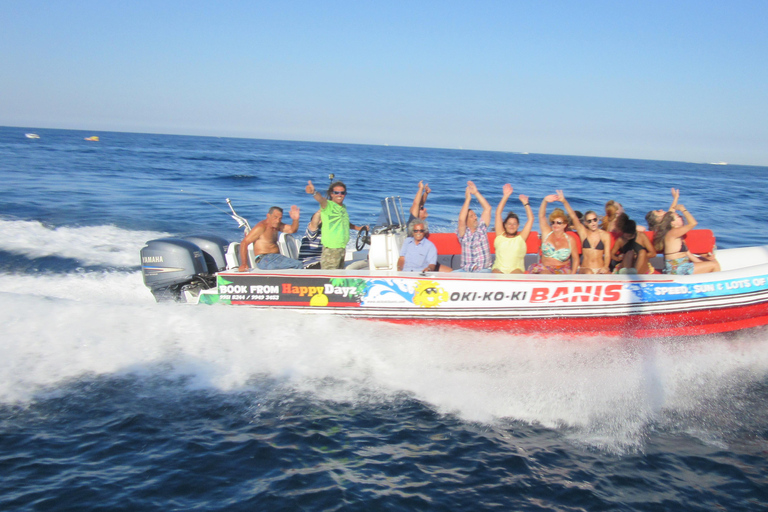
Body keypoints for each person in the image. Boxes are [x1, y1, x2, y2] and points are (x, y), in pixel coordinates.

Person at [306, 180, 367, 269]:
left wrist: (358, 228)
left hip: (341, 247)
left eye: (342, 193)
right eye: (336, 192)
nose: (339, 195)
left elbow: (344, 222)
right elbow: (321, 199)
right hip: (331, 248)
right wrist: (314, 192)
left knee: (338, 277)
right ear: (332, 194)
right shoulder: (328, 205)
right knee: (330, 277)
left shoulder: (343, 207)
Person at [654, 204, 720, 274]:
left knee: (712, 262)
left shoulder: (678, 235)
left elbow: (688, 254)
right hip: (676, 268)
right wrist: (683, 209)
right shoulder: (673, 232)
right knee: (714, 265)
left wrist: (703, 263)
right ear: (672, 223)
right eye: (678, 217)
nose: (681, 217)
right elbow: (693, 223)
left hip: (682, 266)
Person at [557, 191, 611, 274]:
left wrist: (606, 267)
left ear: (598, 220)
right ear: (585, 223)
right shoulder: (584, 233)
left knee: (607, 275)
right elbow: (573, 216)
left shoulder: (605, 235)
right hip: (585, 268)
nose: (593, 223)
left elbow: (607, 255)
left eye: (594, 220)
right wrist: (564, 201)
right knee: (589, 273)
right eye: (589, 221)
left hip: (600, 268)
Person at [238, 205, 302, 271]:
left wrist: (295, 219)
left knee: (300, 265)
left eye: (280, 218)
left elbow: (292, 230)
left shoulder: (277, 225)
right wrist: (244, 263)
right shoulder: (261, 227)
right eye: (275, 217)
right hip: (265, 259)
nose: (277, 221)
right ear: (268, 216)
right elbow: (244, 243)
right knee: (298, 265)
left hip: (276, 258)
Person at [527, 195, 579, 274]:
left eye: (558, 223)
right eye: (553, 222)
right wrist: (545, 201)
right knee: (545, 273)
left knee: (553, 275)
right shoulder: (547, 233)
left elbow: (576, 259)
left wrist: (572, 276)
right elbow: (541, 216)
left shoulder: (570, 239)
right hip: (544, 268)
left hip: (562, 269)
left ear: (565, 225)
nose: (555, 225)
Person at [492, 184, 533, 274]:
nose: (512, 226)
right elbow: (498, 213)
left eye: (514, 224)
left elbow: (531, 219)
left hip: (516, 271)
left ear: (518, 226)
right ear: (505, 225)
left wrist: (526, 204)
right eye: (509, 224)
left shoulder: (521, 238)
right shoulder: (500, 236)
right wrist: (505, 196)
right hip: (499, 270)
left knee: (514, 275)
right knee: (496, 273)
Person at [455, 181, 493, 272]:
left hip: (484, 270)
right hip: (466, 270)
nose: (475, 217)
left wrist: (476, 193)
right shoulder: (463, 234)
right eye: (472, 216)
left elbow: (488, 209)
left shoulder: (481, 229)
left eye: (475, 215)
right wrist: (468, 199)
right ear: (466, 220)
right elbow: (461, 220)